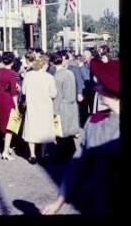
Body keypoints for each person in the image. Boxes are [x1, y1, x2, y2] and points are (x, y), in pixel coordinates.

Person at [42, 58, 119, 215]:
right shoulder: (95, 122)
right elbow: (78, 166)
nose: (96, 88)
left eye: (101, 84)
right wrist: (58, 202)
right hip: (102, 203)